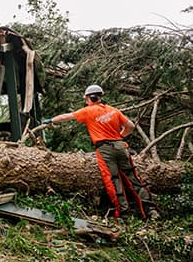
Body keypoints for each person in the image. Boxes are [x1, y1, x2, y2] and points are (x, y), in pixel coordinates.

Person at [43, 84, 159, 220]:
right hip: (121, 146)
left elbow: (66, 117)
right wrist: (120, 136)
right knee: (134, 178)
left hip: (105, 149)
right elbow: (131, 126)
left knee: (114, 180)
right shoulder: (113, 110)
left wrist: (50, 120)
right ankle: (151, 210)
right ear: (99, 96)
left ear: (89, 98)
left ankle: (123, 214)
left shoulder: (88, 111)